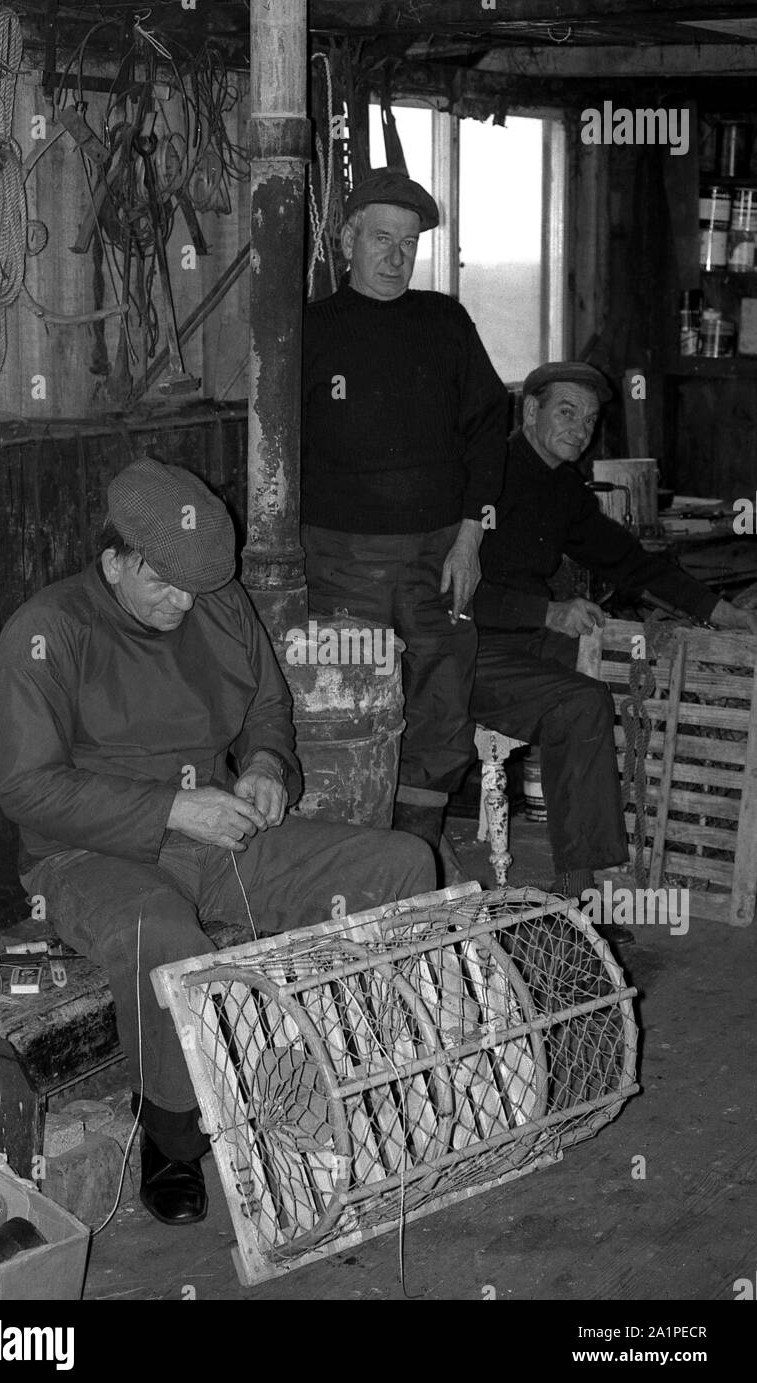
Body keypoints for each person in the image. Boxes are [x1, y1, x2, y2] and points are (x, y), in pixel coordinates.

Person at [0, 458, 435, 1226]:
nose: (182, 603)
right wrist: (172, 808)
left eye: (197, 589)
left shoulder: (217, 604)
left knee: (400, 861)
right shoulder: (46, 632)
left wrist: (266, 767)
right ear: (115, 559)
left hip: (221, 829)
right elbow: (28, 790)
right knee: (158, 934)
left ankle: (355, 1069)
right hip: (90, 852)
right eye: (163, 585)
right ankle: (170, 1138)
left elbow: (269, 710)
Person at [471, 360, 757, 943]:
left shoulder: (561, 487)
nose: (580, 428)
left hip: (525, 640)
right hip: (465, 646)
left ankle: (625, 862)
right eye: (565, 412)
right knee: (582, 701)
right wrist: (546, 612)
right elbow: (444, 584)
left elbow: (629, 561)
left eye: (591, 418)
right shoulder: (482, 474)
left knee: (623, 675)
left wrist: (718, 611)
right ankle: (580, 894)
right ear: (529, 411)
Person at [301, 168, 508, 865]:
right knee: (350, 697)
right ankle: (352, 852)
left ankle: (415, 851)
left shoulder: (444, 321)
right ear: (348, 241)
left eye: (409, 243)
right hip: (339, 559)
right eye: (382, 239)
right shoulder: (308, 330)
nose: (396, 256)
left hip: (439, 551)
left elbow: (487, 424)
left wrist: (471, 537)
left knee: (442, 692)